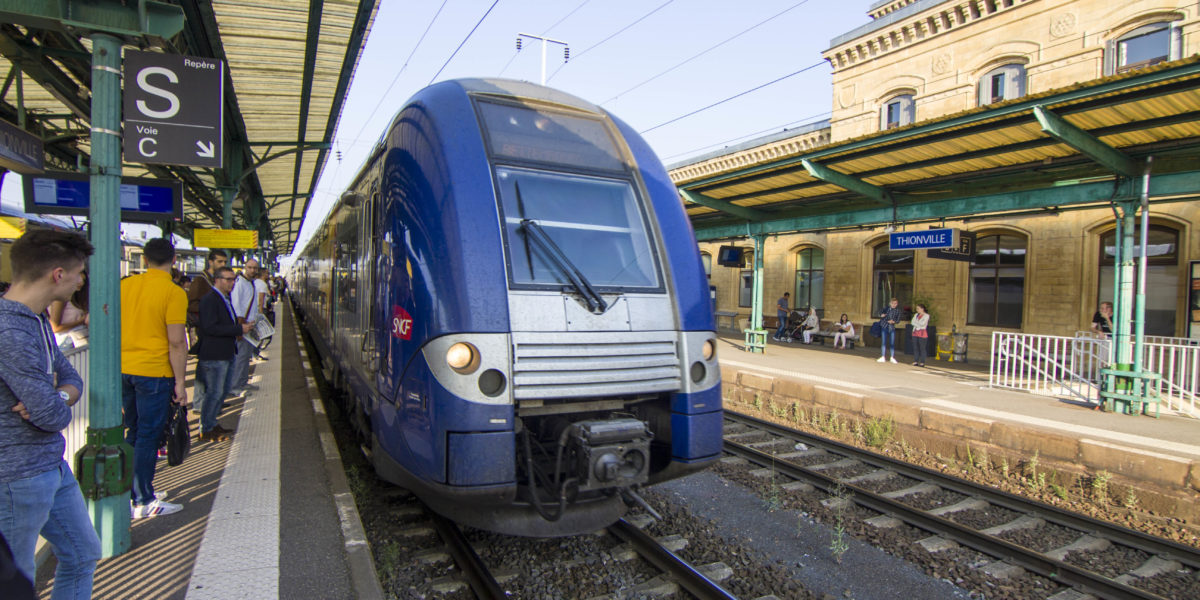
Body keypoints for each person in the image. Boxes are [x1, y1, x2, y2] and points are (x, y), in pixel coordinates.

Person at [0, 229, 101, 598]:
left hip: (50, 466)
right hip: (15, 478)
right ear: (58, 274)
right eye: (79, 273)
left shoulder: (37, 319)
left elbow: (70, 379)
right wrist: (56, 402)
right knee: (16, 583)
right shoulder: (9, 329)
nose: (81, 281)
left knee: (82, 553)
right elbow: (54, 416)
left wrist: (57, 394)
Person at [121, 238, 188, 518]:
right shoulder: (173, 293)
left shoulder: (124, 286)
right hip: (155, 373)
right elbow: (176, 342)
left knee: (133, 433)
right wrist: (181, 383)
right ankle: (144, 501)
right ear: (173, 261)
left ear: (145, 260)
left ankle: (134, 491)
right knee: (149, 436)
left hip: (124, 371)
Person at [194, 267, 253, 441]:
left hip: (224, 353)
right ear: (217, 279)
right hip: (214, 355)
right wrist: (238, 329)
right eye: (228, 279)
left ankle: (211, 423)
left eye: (233, 279)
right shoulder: (210, 300)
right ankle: (206, 428)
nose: (232, 283)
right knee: (214, 393)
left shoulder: (223, 298)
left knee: (221, 391)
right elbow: (210, 327)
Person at [186, 250, 228, 416]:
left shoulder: (215, 281)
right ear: (210, 262)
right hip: (205, 331)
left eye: (224, 262)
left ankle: (212, 401)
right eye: (219, 262)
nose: (223, 265)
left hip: (215, 331)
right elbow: (191, 305)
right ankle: (198, 403)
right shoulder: (200, 281)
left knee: (214, 368)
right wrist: (211, 311)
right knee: (204, 368)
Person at [229, 259, 261, 396]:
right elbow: (236, 306)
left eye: (255, 268)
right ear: (245, 268)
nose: (252, 270)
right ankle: (235, 387)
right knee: (241, 357)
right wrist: (240, 326)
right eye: (250, 267)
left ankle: (242, 382)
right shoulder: (239, 284)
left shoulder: (250, 283)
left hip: (250, 325)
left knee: (246, 355)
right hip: (243, 325)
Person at [48, 279, 89, 349]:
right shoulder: (61, 297)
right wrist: (81, 321)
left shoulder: (77, 295)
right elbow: (55, 327)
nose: (81, 280)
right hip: (68, 341)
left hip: (80, 338)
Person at [877, 297, 901, 364]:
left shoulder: (898, 311)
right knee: (883, 342)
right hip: (885, 326)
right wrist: (883, 316)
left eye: (895, 303)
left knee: (892, 343)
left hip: (892, 327)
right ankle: (882, 356)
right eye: (893, 303)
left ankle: (892, 357)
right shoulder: (886, 309)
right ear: (890, 303)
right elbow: (880, 314)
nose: (894, 304)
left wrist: (894, 321)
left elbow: (898, 320)